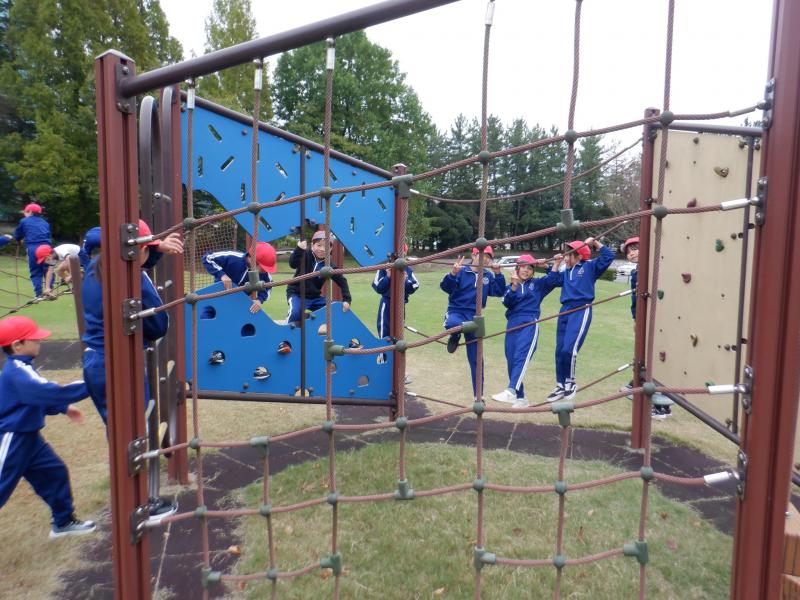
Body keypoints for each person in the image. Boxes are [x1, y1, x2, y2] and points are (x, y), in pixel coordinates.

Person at [81, 219, 183, 523]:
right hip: (120, 366)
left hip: (97, 362)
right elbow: (158, 325)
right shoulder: (134, 280)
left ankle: (133, 500)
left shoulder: (97, 266)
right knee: (132, 437)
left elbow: (100, 237)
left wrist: (156, 247)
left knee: (121, 435)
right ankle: (139, 505)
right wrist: (151, 250)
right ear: (135, 250)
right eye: (146, 249)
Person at [0, 315, 96, 538]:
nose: (39, 342)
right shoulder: (17, 371)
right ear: (17, 345)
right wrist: (93, 383)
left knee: (54, 473)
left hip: (30, 438)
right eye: (34, 339)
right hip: (12, 437)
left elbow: (38, 398)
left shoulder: (24, 367)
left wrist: (63, 408)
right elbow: (49, 392)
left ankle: (63, 522)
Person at [546, 237, 614, 402]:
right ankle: (560, 384)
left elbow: (609, 256)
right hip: (564, 310)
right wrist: (556, 263)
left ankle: (570, 382)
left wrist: (595, 242)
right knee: (560, 350)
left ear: (579, 256)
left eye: (569, 254)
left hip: (581, 309)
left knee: (569, 349)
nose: (566, 257)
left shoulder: (589, 267)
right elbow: (552, 280)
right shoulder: (566, 271)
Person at [491, 255, 561, 408]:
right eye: (523, 267)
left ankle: (511, 390)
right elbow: (507, 303)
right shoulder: (509, 287)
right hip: (512, 325)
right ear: (517, 268)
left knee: (521, 357)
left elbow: (555, 280)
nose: (526, 270)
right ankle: (521, 398)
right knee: (511, 361)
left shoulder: (537, 284)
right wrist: (514, 286)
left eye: (530, 268)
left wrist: (553, 264)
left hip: (529, 323)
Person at [440, 246, 506, 397]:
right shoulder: (461, 271)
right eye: (482, 255)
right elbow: (445, 287)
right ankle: (455, 336)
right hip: (457, 311)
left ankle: (478, 396)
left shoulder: (487, 275)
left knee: (477, 359)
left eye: (488, 257)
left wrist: (498, 274)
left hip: (475, 316)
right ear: (474, 255)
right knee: (452, 325)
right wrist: (453, 273)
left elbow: (499, 291)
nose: (485, 259)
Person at [286, 230, 351, 329]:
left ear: (330, 249)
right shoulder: (305, 254)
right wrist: (299, 249)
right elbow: (292, 264)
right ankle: (287, 333)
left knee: (335, 309)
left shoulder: (329, 265)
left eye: (326, 247)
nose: (322, 249)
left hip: (314, 298)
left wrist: (346, 300)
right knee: (295, 313)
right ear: (312, 245)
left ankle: (337, 333)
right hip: (297, 294)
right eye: (319, 245)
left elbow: (342, 281)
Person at [201, 242, 277, 314]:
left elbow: (269, 285)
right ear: (254, 261)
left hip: (239, 304)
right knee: (205, 315)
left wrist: (259, 300)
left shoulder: (263, 274)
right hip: (218, 297)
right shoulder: (233, 258)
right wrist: (222, 275)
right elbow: (208, 258)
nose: (265, 271)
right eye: (263, 268)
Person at [13, 203, 52, 299]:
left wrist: (19, 241)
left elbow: (17, 235)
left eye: (25, 212)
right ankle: (49, 291)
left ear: (30, 212)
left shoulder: (24, 221)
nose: (24, 214)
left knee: (35, 271)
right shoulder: (45, 222)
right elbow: (48, 235)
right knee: (49, 269)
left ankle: (38, 295)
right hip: (47, 248)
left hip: (33, 248)